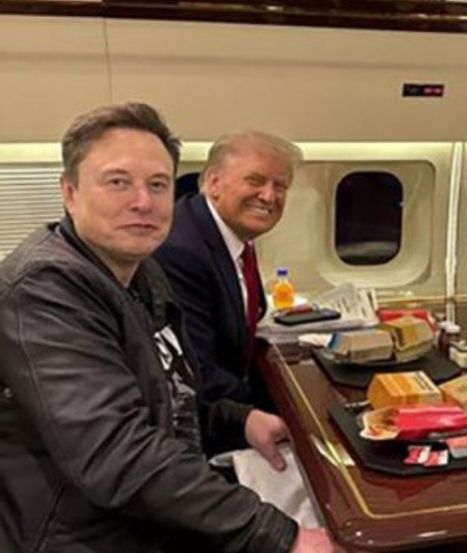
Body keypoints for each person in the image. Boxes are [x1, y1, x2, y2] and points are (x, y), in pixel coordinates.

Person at [0, 103, 336, 552]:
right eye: (118, 182)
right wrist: (280, 537)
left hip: (142, 512)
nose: (143, 201)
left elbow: (169, 392)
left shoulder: (141, 274)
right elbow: (118, 453)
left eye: (157, 185)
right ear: (70, 192)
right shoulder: (45, 287)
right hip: (81, 533)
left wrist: (239, 418)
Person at [155, 131, 300, 425]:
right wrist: (288, 411)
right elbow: (198, 373)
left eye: (280, 186)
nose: (269, 196)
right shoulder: (183, 250)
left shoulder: (234, 235)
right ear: (213, 183)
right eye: (255, 181)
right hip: (202, 424)